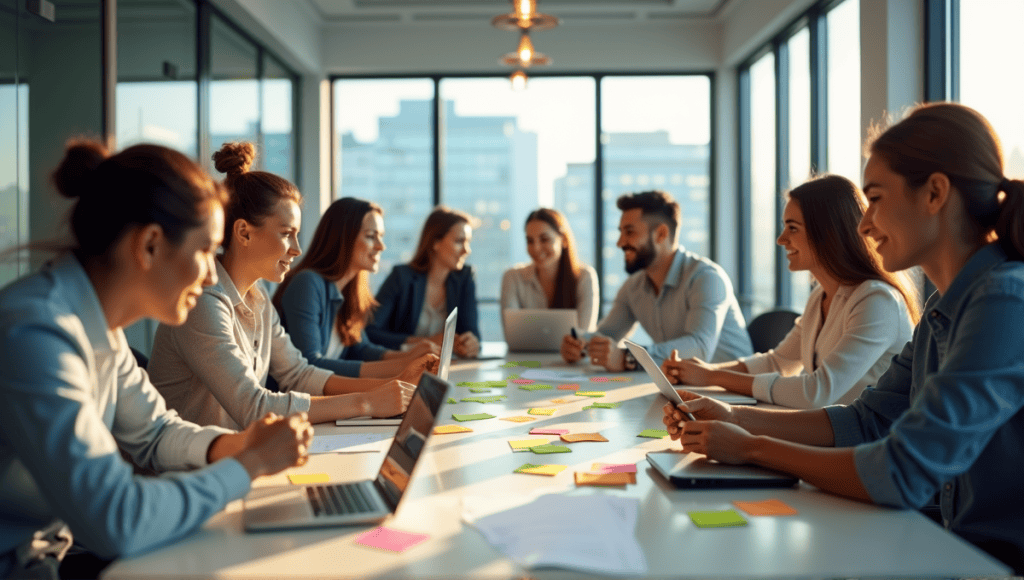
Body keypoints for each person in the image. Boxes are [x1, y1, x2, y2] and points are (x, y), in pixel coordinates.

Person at [662, 103, 1024, 573]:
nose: (864, 224)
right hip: (945, 546)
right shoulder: (943, 306)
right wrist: (735, 418)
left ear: (935, 193)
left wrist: (750, 447)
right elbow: (867, 421)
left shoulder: (1005, 301)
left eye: (875, 198)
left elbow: (900, 471)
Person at [0, 140, 313, 578]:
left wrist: (235, 445)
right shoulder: (37, 332)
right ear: (149, 245)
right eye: (205, 251)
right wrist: (251, 464)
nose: (210, 273)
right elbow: (117, 518)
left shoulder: (101, 329)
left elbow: (155, 433)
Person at [149, 143, 435, 430]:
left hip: (238, 454)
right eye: (287, 234)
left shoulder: (258, 297)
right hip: (193, 467)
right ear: (244, 233)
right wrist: (367, 402)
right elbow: (254, 406)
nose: (297, 249)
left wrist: (392, 386)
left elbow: (298, 374)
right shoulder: (203, 301)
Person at [660, 175, 919, 408]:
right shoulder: (821, 296)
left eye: (792, 228)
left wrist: (712, 377)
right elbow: (778, 363)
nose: (781, 239)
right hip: (826, 435)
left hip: (863, 449)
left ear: (829, 233)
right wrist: (704, 370)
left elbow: (816, 392)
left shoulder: (876, 300)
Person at [561, 190, 752, 372]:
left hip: (732, 392)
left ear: (661, 234)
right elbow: (607, 335)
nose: (620, 242)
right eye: (620, 232)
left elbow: (699, 348)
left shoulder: (707, 278)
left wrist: (628, 358)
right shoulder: (633, 286)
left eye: (630, 232)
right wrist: (580, 344)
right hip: (683, 388)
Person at [273, 197, 438, 378]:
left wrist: (408, 356)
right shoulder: (307, 283)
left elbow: (358, 348)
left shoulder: (350, 290)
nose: (380, 246)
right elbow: (310, 364)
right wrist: (402, 366)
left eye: (380, 237)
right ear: (343, 238)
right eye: (370, 236)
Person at [366, 206, 481, 358]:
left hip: (450, 367)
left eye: (468, 242)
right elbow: (371, 331)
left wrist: (472, 344)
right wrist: (425, 341)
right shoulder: (401, 277)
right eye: (460, 241)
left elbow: (472, 333)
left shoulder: (465, 278)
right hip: (403, 365)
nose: (467, 250)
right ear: (435, 242)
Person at [500, 208, 599, 333]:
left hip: (570, 353)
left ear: (563, 240)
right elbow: (511, 332)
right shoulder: (512, 277)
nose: (536, 248)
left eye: (544, 239)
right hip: (526, 353)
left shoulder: (584, 276)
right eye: (530, 241)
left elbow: (584, 334)